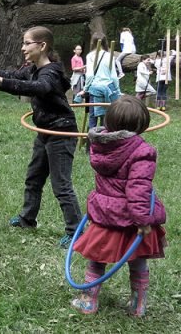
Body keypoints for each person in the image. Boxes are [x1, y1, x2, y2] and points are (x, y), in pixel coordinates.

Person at [0, 26, 81, 247]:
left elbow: (40, 88)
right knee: (33, 178)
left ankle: (76, 231)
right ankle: (28, 219)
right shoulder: (33, 68)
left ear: (42, 46)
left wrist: (4, 84)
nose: (23, 47)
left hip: (61, 133)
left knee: (61, 185)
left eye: (27, 43)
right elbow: (12, 75)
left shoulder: (51, 72)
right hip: (44, 132)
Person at [71, 96, 167, 317]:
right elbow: (139, 190)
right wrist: (143, 221)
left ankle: (88, 302)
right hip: (132, 219)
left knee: (97, 258)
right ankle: (137, 305)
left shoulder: (100, 145)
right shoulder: (141, 151)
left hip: (105, 214)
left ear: (109, 122)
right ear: (141, 125)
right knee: (138, 261)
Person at [77, 32, 120, 130]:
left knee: (93, 117)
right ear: (105, 42)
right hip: (109, 87)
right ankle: (104, 141)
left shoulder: (90, 56)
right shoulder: (109, 56)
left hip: (95, 89)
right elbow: (113, 76)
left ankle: (91, 142)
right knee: (106, 117)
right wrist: (117, 90)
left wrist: (85, 89)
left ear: (93, 42)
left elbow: (90, 75)